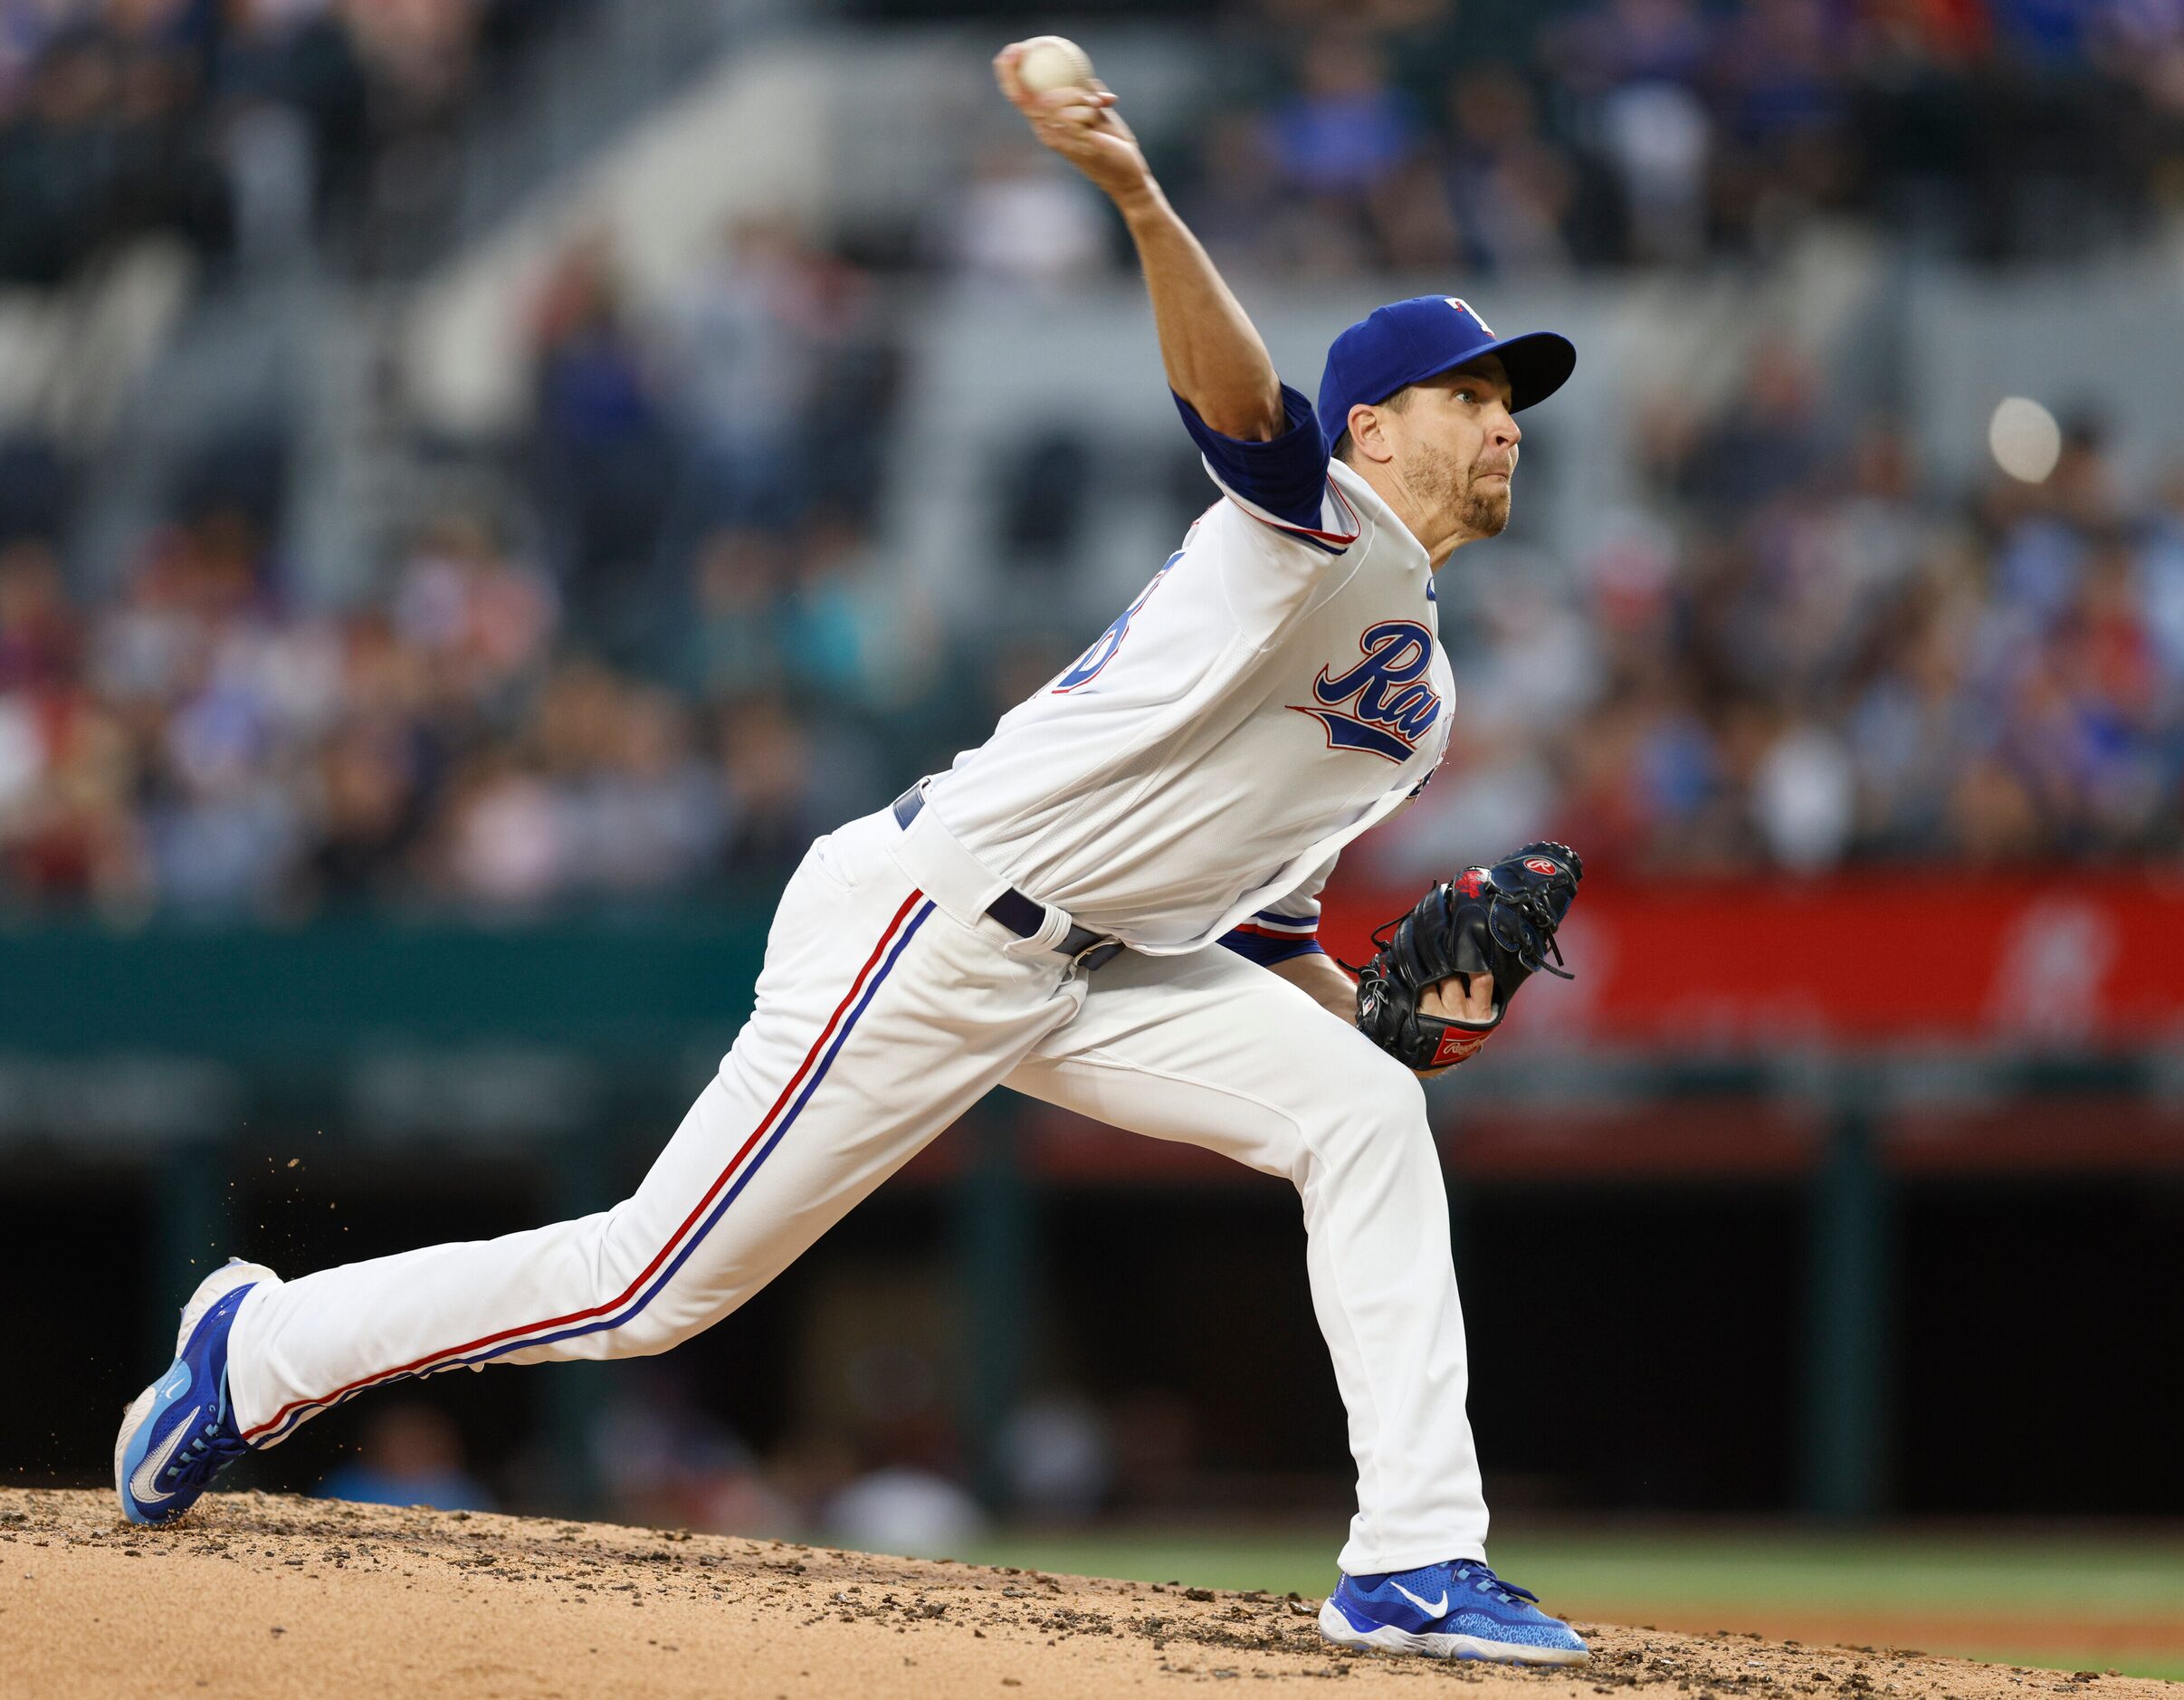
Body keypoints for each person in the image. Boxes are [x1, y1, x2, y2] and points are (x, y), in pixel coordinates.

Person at [115, 43, 1589, 1667]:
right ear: (1378, 428)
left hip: (1105, 965)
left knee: (1367, 1115)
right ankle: (258, 1346)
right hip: (934, 920)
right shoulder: (1308, 531)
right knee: (646, 1290)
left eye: (1511, 402)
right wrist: (1138, 193)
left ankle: (1412, 1561)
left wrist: (1387, 1029)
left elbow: (1256, 927)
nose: (1504, 424)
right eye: (1473, 397)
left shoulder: (1423, 701)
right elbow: (1238, 409)